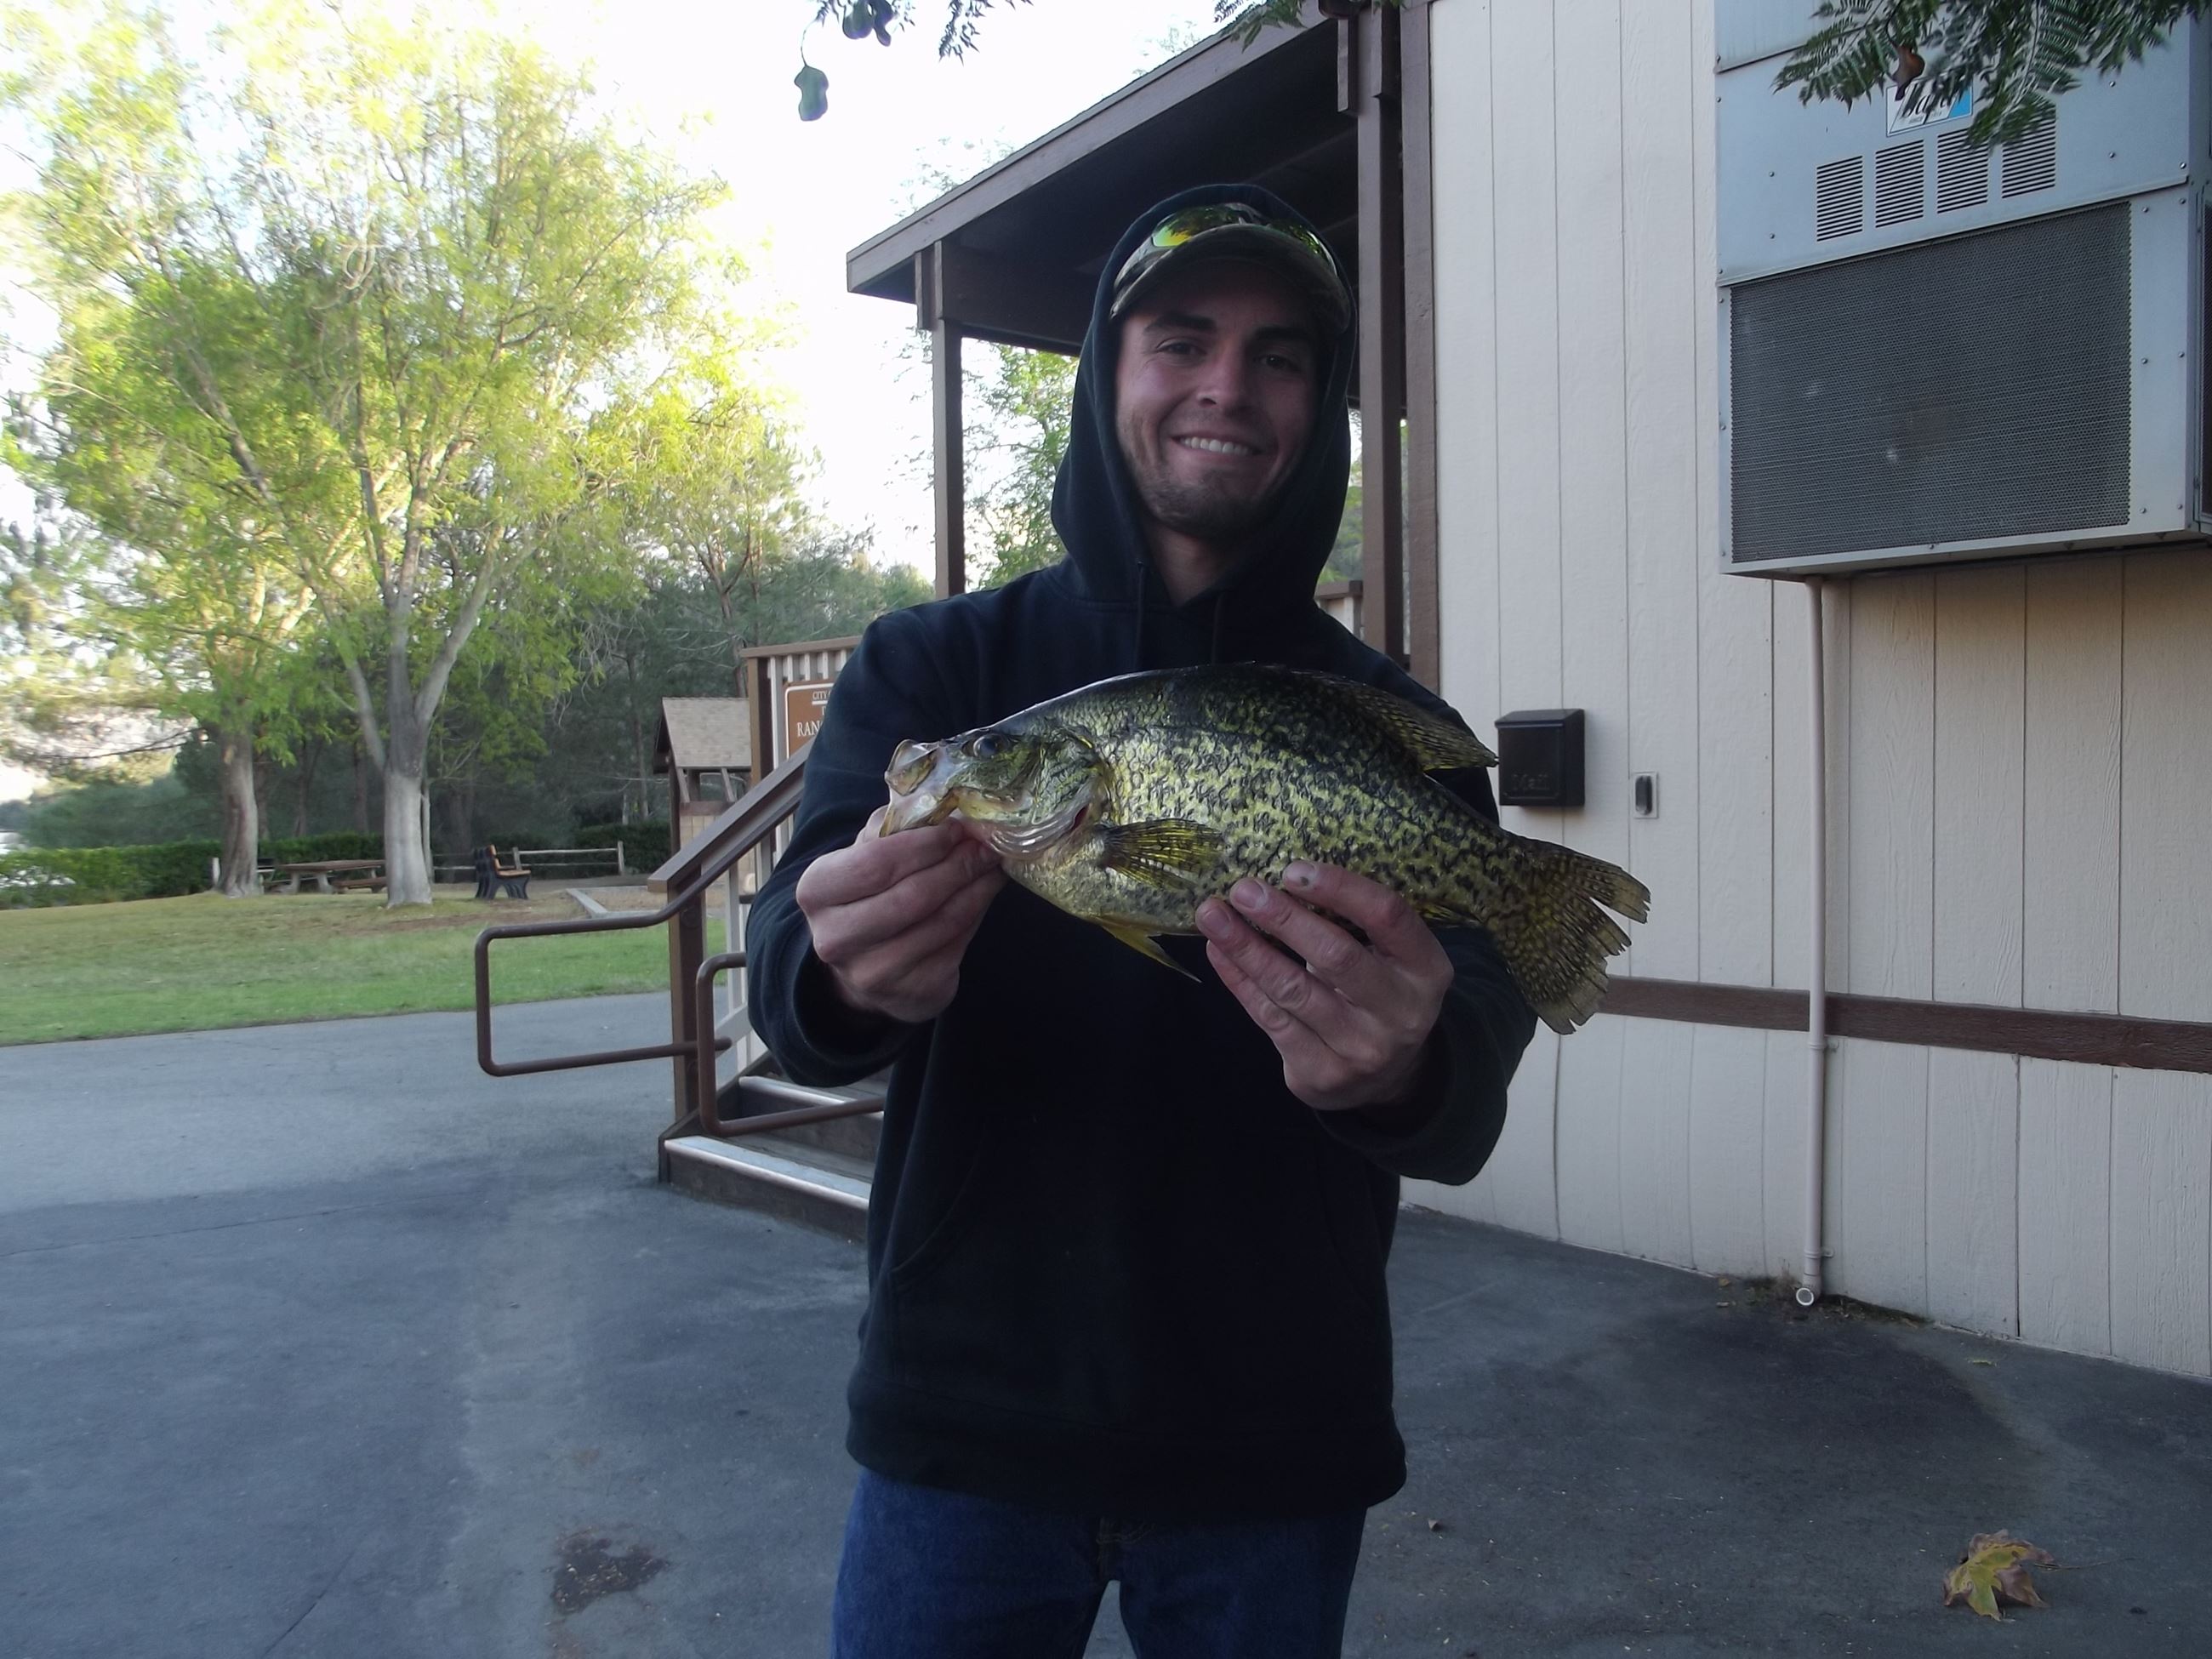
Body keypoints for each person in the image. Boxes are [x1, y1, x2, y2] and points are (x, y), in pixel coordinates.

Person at [746, 183, 1538, 1658]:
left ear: (1322, 405)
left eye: (1280, 354)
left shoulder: (1386, 726)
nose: (1227, 385)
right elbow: (790, 979)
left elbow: (1472, 1083)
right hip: (962, 1427)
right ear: (1110, 369)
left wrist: (1409, 1067)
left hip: (1273, 1443)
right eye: (1182, 338)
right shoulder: (936, 674)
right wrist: (849, 973)